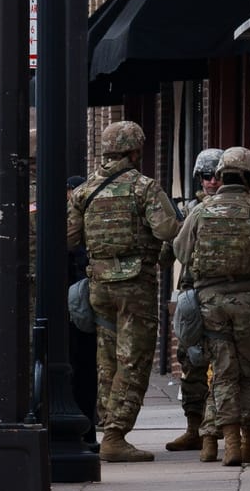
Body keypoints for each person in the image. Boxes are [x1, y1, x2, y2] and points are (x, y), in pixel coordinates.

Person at [67, 120, 182, 463]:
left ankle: (106, 426)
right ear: (134, 151)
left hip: (99, 284)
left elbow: (69, 237)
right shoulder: (143, 188)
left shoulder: (85, 190)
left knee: (107, 359)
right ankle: (116, 434)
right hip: (135, 285)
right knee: (134, 359)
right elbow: (167, 229)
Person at [173, 146, 250, 466]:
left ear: (220, 175)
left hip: (210, 302)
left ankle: (229, 443)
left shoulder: (200, 211)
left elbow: (181, 252)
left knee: (222, 373)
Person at [164, 147, 227, 456]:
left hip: (224, 294)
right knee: (191, 363)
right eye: (206, 177)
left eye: (217, 176)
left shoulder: (243, 205)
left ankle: (219, 430)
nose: (211, 182)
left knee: (226, 367)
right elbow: (174, 251)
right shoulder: (191, 209)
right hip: (193, 292)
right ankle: (194, 427)